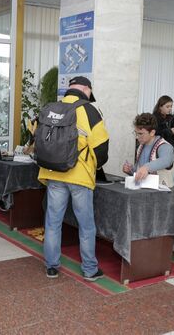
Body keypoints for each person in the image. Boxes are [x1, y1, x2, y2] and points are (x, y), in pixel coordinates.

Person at [38, 76, 109, 281]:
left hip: (53, 173)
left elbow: (36, 134)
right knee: (86, 225)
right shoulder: (89, 110)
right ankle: (89, 269)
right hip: (79, 176)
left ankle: (51, 266)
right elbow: (101, 147)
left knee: (53, 222)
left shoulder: (51, 107)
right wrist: (94, 165)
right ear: (86, 90)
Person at [122, 113, 174, 187]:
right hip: (144, 190)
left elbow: (166, 161)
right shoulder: (141, 147)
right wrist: (131, 170)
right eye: (136, 133)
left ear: (152, 132)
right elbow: (141, 171)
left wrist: (146, 168)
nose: (137, 137)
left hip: (163, 194)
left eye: (141, 134)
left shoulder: (165, 146)